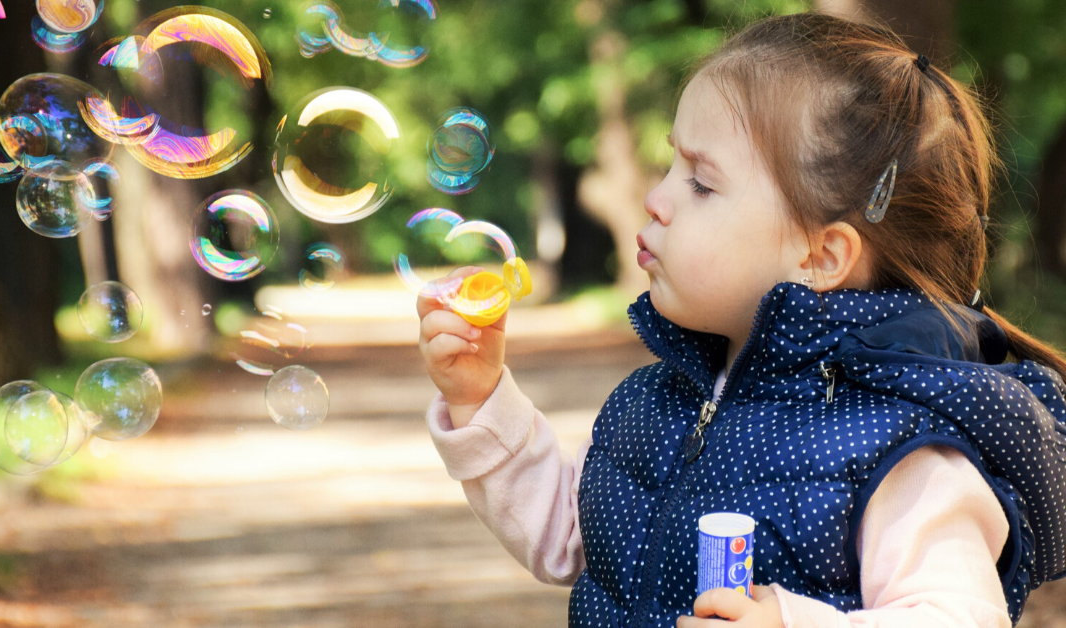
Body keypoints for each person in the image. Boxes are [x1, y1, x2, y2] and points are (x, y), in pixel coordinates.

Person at [416, 11, 1066, 628]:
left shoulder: (901, 447)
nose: (655, 197)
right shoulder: (658, 401)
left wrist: (794, 619)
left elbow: (957, 614)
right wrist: (481, 399)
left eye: (700, 182)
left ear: (821, 254)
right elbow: (569, 535)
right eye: (672, 163)